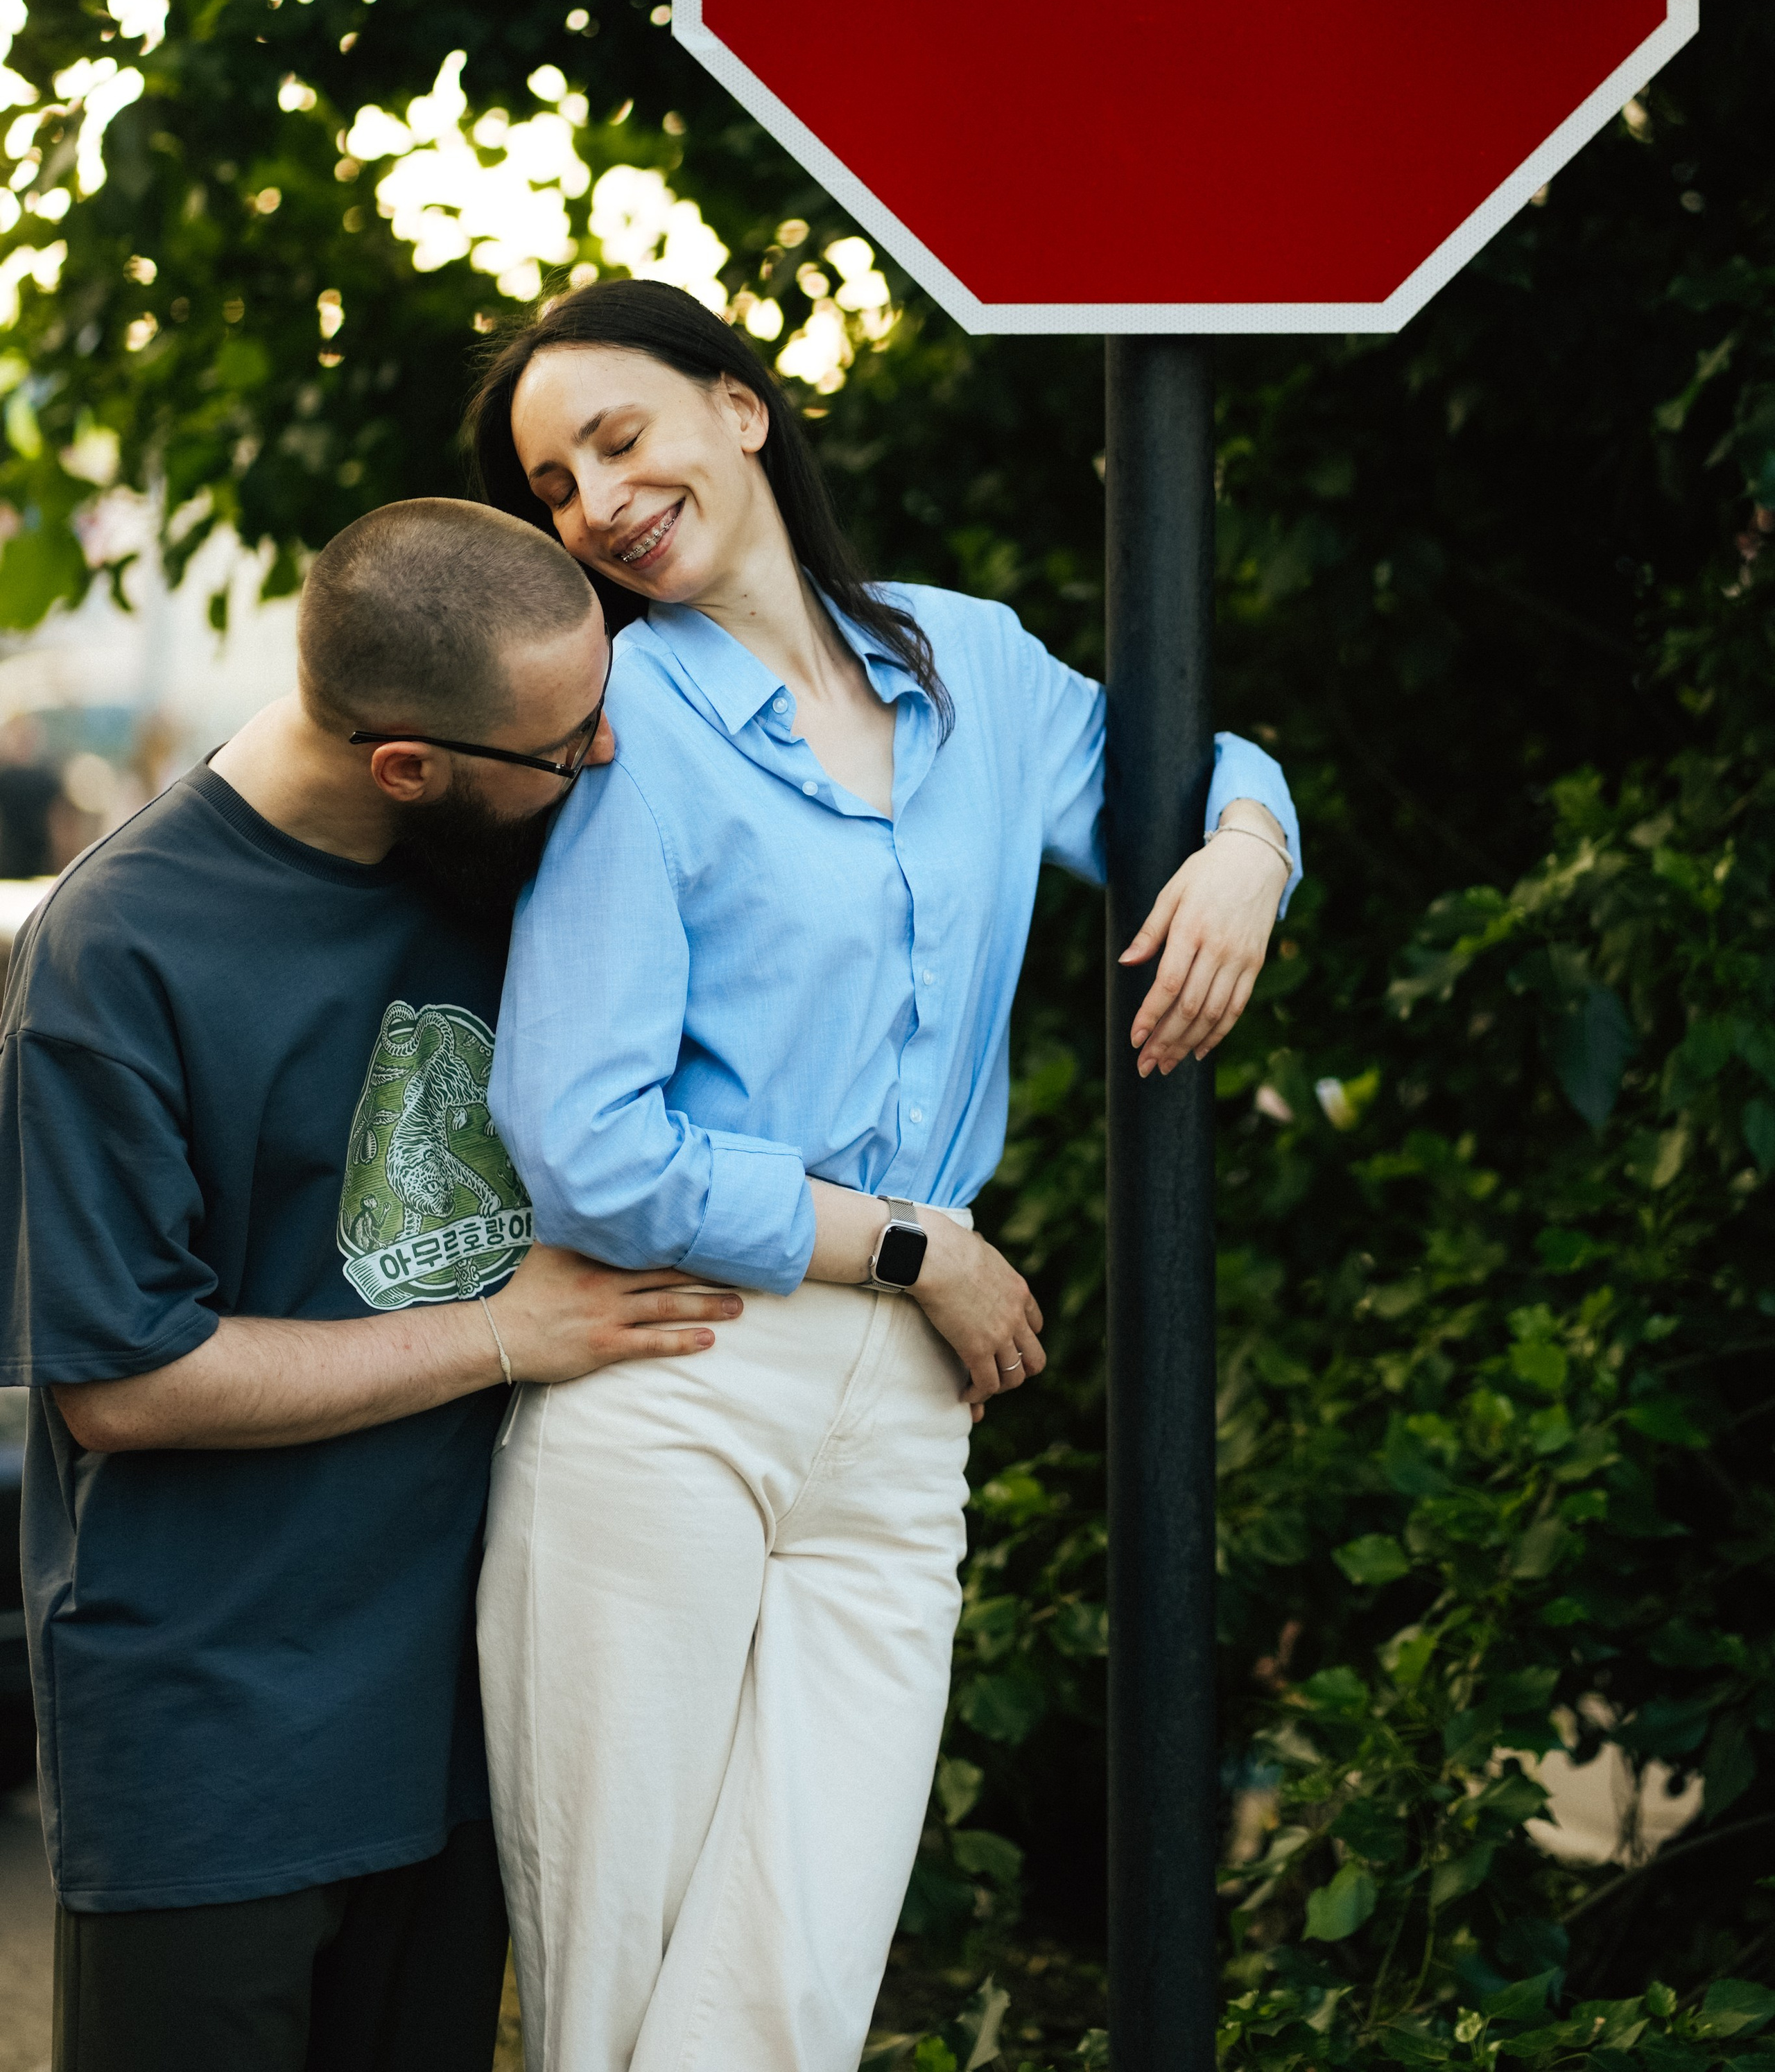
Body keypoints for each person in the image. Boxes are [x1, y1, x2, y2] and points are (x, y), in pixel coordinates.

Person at [465, 283, 1302, 2072]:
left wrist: (1244, 848)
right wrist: (916, 1244)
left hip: (902, 1421)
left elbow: (1178, 769)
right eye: (555, 485)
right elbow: (585, 1141)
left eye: (620, 438)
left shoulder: (969, 665)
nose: (596, 501)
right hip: (677, 1378)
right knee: (616, 1976)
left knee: (796, 1985)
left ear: (742, 409)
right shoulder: (619, 735)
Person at [0, 499, 743, 2072]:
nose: (602, 761)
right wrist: (504, 1333)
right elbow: (125, 1381)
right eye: (565, 744)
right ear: (405, 760)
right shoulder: (111, 955)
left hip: (471, 1731)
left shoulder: (508, 865)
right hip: (215, 1750)